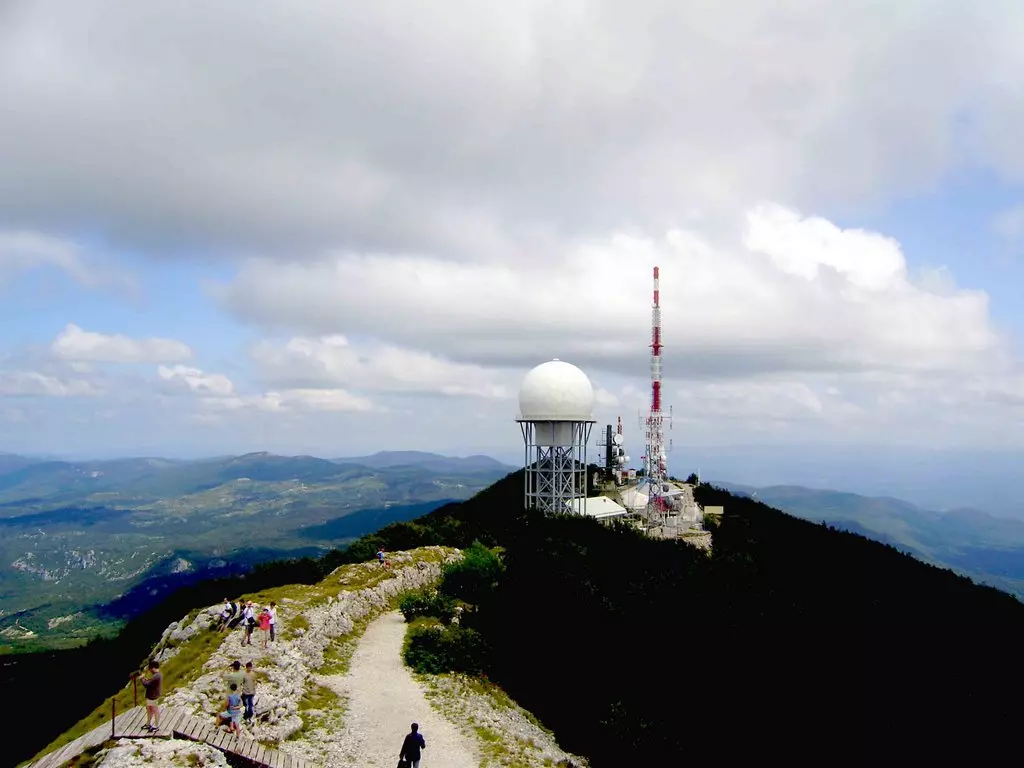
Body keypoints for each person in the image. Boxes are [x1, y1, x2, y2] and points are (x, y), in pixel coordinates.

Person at [140, 660, 163, 733]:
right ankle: (148, 724)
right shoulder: (158, 675)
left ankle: (156, 726)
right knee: (149, 709)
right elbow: (152, 682)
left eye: (150, 669)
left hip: (152, 696)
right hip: (152, 695)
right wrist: (148, 679)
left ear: (153, 668)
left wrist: (142, 679)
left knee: (154, 710)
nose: (150, 671)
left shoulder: (156, 676)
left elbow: (146, 685)